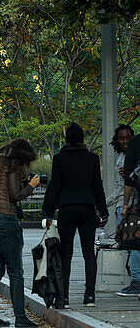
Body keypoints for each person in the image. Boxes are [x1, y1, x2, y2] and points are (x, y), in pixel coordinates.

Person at [42, 122, 108, 309]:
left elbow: (54, 186)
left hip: (67, 209)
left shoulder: (59, 158)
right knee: (88, 253)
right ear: (82, 138)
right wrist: (103, 211)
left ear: (66, 139)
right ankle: (89, 296)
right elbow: (97, 186)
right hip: (87, 208)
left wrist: (47, 211)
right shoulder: (92, 158)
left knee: (66, 254)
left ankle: (64, 297)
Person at [0, 137, 40, 328]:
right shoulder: (12, 164)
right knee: (15, 271)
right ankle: (20, 318)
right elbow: (15, 195)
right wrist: (31, 186)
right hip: (5, 220)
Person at [109, 125, 140, 295]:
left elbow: (127, 184)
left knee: (134, 244)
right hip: (121, 203)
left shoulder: (132, 156)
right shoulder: (121, 156)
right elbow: (117, 190)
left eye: (128, 137)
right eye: (121, 138)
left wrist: (125, 205)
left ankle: (136, 281)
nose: (125, 141)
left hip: (129, 206)